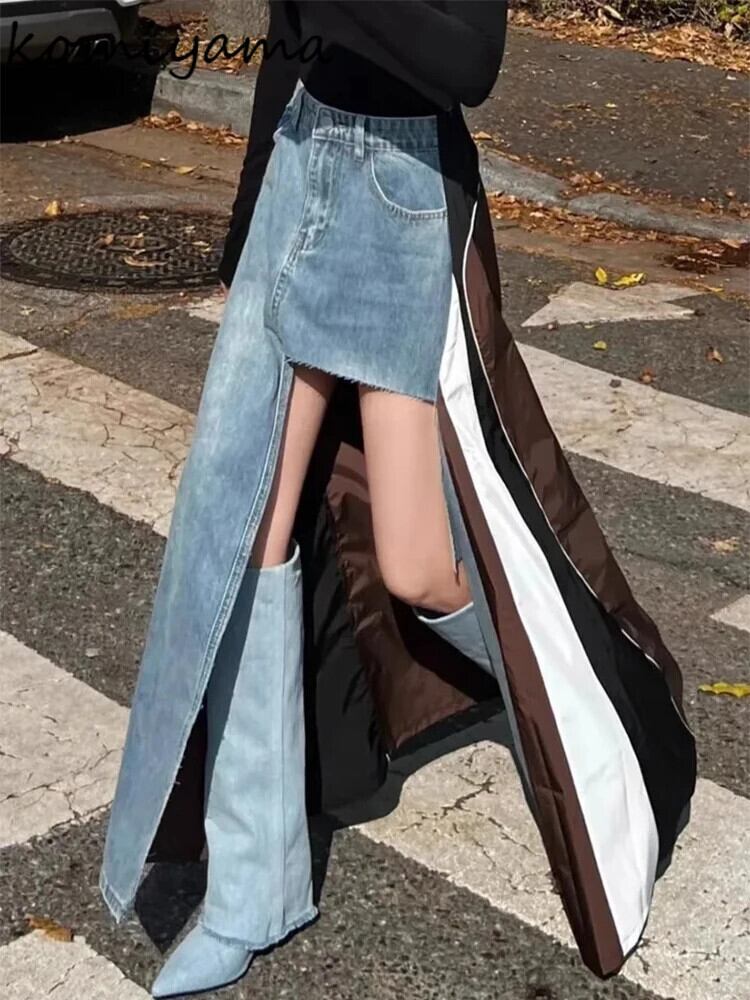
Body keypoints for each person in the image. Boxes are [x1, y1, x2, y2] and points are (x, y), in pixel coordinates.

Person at [99, 3, 696, 997]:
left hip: (401, 194)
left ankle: (575, 703)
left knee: (421, 566)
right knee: (243, 530)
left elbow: (469, 61)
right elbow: (290, 42)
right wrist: (247, 225)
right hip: (302, 170)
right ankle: (255, 888)